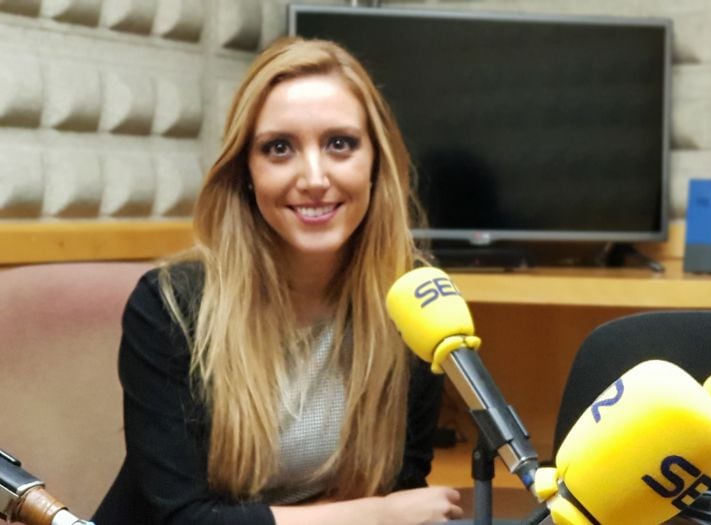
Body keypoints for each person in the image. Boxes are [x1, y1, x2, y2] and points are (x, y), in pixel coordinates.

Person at [93, 37, 464, 524]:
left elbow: (402, 487)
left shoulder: (412, 304)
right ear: (246, 171)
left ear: (376, 161)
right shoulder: (171, 307)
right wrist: (376, 515)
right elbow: (184, 520)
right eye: (279, 148)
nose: (313, 177)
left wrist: (385, 510)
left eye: (339, 144)